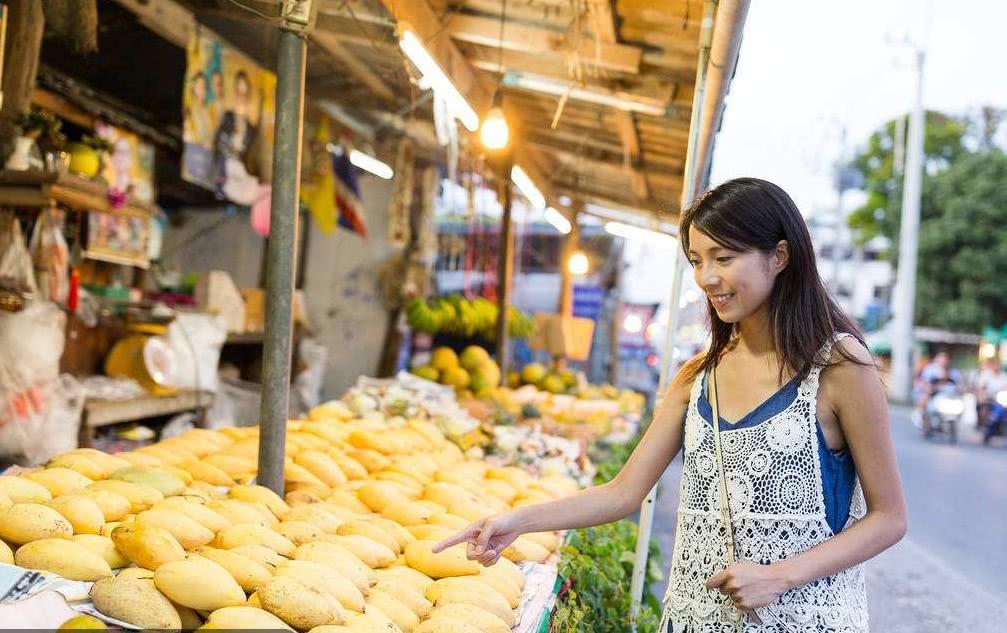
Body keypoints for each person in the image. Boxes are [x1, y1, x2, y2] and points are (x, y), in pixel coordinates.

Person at [435, 178, 907, 632]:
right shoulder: (697, 377)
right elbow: (622, 493)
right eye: (697, 261)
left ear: (780, 255)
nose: (708, 277)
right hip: (693, 618)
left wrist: (781, 574)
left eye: (723, 257)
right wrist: (515, 521)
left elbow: (889, 518)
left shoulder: (840, 366)